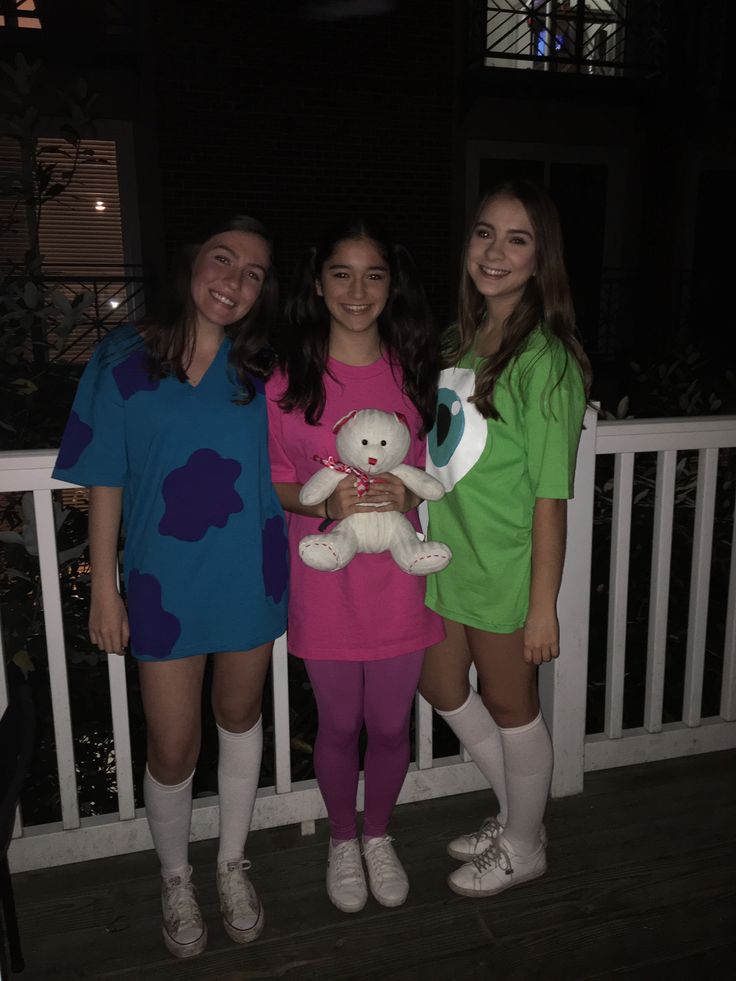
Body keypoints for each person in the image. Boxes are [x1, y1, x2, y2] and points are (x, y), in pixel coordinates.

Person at [52, 216, 289, 958]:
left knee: (240, 712)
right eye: (223, 259)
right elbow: (104, 476)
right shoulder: (124, 357)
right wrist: (103, 587)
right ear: (192, 262)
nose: (235, 280)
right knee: (174, 743)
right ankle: (176, 874)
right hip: (160, 581)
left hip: (249, 571)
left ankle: (230, 862)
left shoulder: (268, 368)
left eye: (253, 272)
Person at [266, 219, 443, 913]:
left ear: (391, 284)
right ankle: (343, 838)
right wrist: (321, 500)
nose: (357, 289)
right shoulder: (288, 378)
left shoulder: (414, 370)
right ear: (318, 281)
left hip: (400, 578)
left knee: (393, 724)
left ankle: (378, 834)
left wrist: (408, 487)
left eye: (374, 274)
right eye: (342, 272)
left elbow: (432, 471)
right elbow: (274, 480)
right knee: (339, 724)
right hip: (325, 578)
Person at [419, 180, 590, 898]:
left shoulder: (546, 360)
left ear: (540, 257)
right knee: (438, 682)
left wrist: (543, 604)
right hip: (446, 556)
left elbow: (552, 496)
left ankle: (524, 844)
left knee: (513, 703)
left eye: (517, 239)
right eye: (484, 232)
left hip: (505, 568)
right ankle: (521, 813)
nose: (494, 251)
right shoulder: (460, 340)